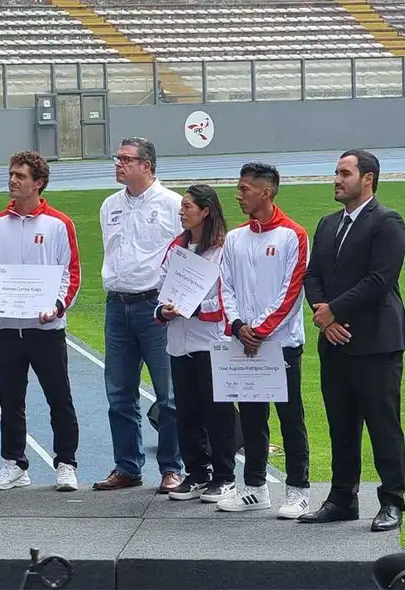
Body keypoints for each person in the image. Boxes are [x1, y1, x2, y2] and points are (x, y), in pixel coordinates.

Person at [300, 149, 405, 531]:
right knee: (341, 426)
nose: (336, 179)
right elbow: (313, 277)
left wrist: (334, 312)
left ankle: (393, 500)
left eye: (344, 173)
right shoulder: (328, 224)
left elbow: (380, 280)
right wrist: (324, 317)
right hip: (335, 343)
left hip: (377, 345)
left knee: (383, 425)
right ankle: (342, 499)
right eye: (335, 173)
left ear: (368, 179)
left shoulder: (388, 223)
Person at [0, 150, 82, 492]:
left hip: (46, 330)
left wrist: (56, 306)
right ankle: (15, 463)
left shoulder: (58, 223)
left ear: (38, 183)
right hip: (7, 330)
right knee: (9, 400)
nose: (13, 180)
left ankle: (66, 462)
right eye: (11, 174)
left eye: (20, 176)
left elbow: (72, 274)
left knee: (59, 398)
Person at [218, 161, 311, 518]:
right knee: (253, 418)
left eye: (244, 189)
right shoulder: (235, 238)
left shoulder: (293, 235)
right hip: (244, 342)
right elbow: (224, 285)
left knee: (291, 418)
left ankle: (298, 489)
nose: (238, 195)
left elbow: (292, 291)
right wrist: (239, 325)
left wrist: (260, 330)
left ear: (266, 192)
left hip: (280, 343)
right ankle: (255, 487)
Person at [94, 137, 184, 493]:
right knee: (119, 393)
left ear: (146, 166)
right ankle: (127, 466)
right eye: (117, 157)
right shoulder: (109, 205)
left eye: (125, 159)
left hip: (155, 307)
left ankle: (171, 468)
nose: (118, 163)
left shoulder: (172, 205)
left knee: (169, 395)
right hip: (117, 305)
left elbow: (185, 257)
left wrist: (173, 303)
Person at [152, 185, 237, 504]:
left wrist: (195, 308)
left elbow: (227, 298)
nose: (182, 211)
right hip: (179, 343)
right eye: (181, 207)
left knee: (217, 412)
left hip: (212, 343)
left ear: (205, 210)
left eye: (187, 206)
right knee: (185, 412)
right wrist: (163, 311)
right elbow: (161, 289)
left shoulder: (223, 248)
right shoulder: (176, 247)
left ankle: (225, 476)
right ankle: (198, 471)